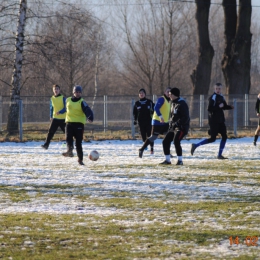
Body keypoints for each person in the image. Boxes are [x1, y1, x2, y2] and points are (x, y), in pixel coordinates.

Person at [191, 82, 234, 159]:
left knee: (224, 136)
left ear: (221, 89)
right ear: (214, 89)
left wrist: (229, 107)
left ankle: (219, 154)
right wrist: (218, 106)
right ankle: (195, 145)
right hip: (214, 121)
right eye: (217, 88)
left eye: (219, 88)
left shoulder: (221, 96)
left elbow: (223, 106)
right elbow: (209, 109)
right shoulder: (213, 97)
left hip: (221, 120)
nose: (218, 90)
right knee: (212, 139)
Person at [62, 85, 94, 165]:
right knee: (68, 138)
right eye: (76, 92)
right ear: (73, 92)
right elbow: (65, 109)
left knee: (78, 143)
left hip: (79, 124)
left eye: (79, 92)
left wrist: (90, 117)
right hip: (69, 123)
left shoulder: (82, 102)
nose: (78, 93)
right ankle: (69, 151)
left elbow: (87, 110)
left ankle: (80, 159)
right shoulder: (68, 100)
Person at [138, 87, 171, 158]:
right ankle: (141, 149)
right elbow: (156, 107)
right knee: (153, 137)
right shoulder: (162, 99)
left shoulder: (169, 101)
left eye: (170, 92)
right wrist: (160, 116)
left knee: (169, 136)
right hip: (157, 122)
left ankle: (168, 152)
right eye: (167, 91)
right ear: (165, 92)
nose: (169, 93)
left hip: (165, 123)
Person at [160, 87, 190, 165]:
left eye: (170, 94)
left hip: (181, 127)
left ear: (174, 95)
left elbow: (186, 117)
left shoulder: (182, 103)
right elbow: (172, 116)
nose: (169, 96)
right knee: (165, 141)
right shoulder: (172, 102)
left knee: (176, 141)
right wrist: (170, 125)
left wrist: (178, 124)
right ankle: (167, 160)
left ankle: (180, 161)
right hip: (173, 127)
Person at [41, 84, 66, 150]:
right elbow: (51, 108)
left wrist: (60, 112)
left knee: (67, 133)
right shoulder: (52, 98)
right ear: (53, 90)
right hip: (55, 118)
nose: (56, 90)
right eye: (55, 89)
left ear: (59, 90)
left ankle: (70, 146)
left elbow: (66, 108)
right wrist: (51, 116)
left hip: (63, 119)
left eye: (57, 89)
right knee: (50, 132)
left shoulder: (63, 98)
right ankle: (46, 145)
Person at [133, 88, 155, 154]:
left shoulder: (149, 102)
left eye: (142, 93)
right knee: (143, 134)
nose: (141, 94)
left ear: (145, 94)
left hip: (149, 121)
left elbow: (154, 110)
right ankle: (145, 145)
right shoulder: (137, 103)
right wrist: (135, 120)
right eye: (140, 93)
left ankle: (152, 148)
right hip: (141, 122)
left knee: (150, 135)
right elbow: (135, 113)